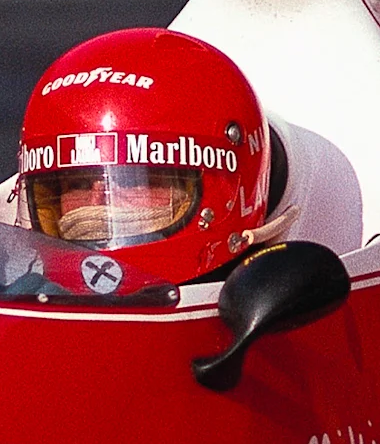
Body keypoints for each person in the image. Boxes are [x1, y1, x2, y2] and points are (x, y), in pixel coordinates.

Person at [14, 29, 277, 285]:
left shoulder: (280, 318)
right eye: (77, 185)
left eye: (129, 182)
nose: (95, 203)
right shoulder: (24, 304)